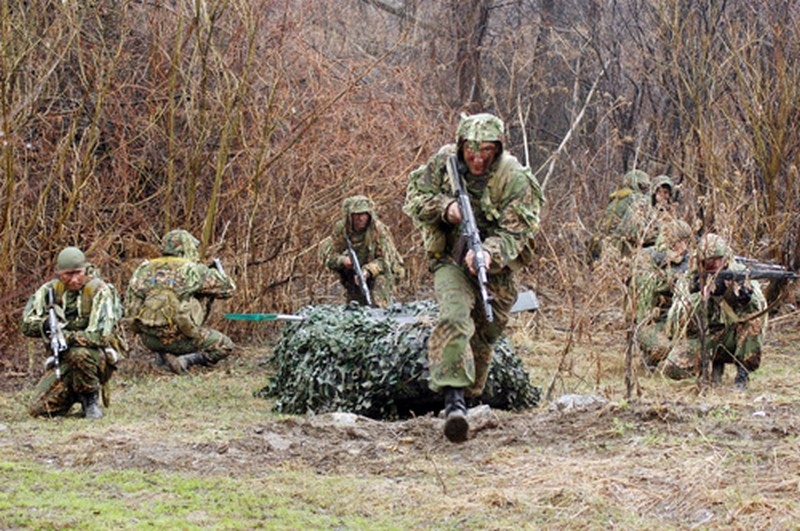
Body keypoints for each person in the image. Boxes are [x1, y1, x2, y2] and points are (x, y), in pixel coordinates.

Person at [403, 112, 544, 442]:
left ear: (497, 149)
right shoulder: (444, 163)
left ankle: (468, 398)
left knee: (485, 334)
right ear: (461, 145)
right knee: (454, 317)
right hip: (450, 260)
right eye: (471, 150)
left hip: (496, 269)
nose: (477, 158)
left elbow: (517, 231)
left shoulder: (515, 179)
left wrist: (488, 253)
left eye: (486, 151)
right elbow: (413, 198)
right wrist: (446, 208)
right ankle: (453, 402)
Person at [21, 246, 124, 419]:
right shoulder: (50, 291)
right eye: (67, 274)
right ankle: (72, 394)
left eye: (78, 273)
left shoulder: (99, 291)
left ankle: (90, 400)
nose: (74, 279)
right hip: (63, 360)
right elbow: (26, 324)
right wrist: (46, 324)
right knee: (39, 410)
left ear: (86, 269)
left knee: (79, 354)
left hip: (95, 357)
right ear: (59, 273)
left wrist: (65, 337)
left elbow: (100, 336)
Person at [663, 233, 767, 390]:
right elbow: (675, 319)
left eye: (718, 259)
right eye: (708, 262)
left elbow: (759, 306)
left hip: (733, 337)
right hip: (706, 337)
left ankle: (742, 373)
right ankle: (710, 370)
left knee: (753, 322)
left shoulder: (739, 273)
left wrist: (743, 298)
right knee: (672, 368)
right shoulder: (690, 278)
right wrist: (701, 297)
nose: (714, 264)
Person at [126, 229, 237, 373]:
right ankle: (186, 360)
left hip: (149, 339)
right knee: (225, 345)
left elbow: (130, 301)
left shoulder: (144, 269)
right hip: (181, 339)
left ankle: (163, 357)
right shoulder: (192, 270)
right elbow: (228, 289)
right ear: (187, 247)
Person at [319, 195, 405, 308]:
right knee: (357, 307)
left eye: (364, 214)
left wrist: (367, 271)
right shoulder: (342, 230)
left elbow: (386, 261)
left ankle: (380, 314)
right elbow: (327, 256)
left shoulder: (378, 231)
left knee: (378, 295)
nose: (361, 218)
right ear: (350, 216)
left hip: (382, 273)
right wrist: (342, 260)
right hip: (354, 274)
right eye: (357, 215)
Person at [631, 219, 692, 370]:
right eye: (679, 242)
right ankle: (649, 360)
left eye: (687, 242)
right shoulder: (646, 257)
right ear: (668, 241)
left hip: (674, 322)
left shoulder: (689, 260)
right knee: (664, 348)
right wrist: (674, 279)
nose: (684, 247)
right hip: (648, 321)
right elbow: (645, 286)